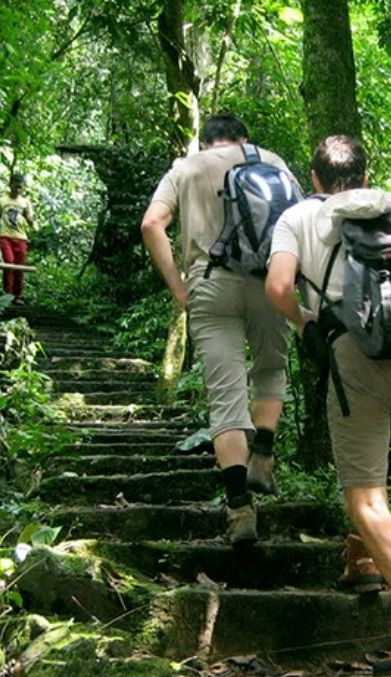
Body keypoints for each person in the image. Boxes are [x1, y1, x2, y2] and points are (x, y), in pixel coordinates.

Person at [265, 135, 391, 676]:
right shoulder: (389, 213)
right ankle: (363, 559)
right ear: (364, 174)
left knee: (365, 499)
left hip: (360, 358)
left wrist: (304, 320)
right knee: (370, 465)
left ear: (317, 178)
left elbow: (279, 286)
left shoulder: (299, 216)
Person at [140, 114, 295, 545]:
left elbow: (151, 224)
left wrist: (179, 288)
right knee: (270, 368)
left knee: (226, 397)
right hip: (269, 282)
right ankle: (262, 452)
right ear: (243, 139)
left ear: (203, 142)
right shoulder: (273, 161)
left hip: (210, 285)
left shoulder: (186, 168)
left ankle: (239, 508)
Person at [0, 173, 36, 303]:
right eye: (15, 186)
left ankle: (17, 296)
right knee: (9, 263)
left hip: (20, 237)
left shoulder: (25, 202)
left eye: (20, 187)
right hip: (5, 236)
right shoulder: (2, 201)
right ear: (10, 185)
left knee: (20, 266)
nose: (18, 190)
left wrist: (27, 216)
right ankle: (7, 295)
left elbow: (31, 222)